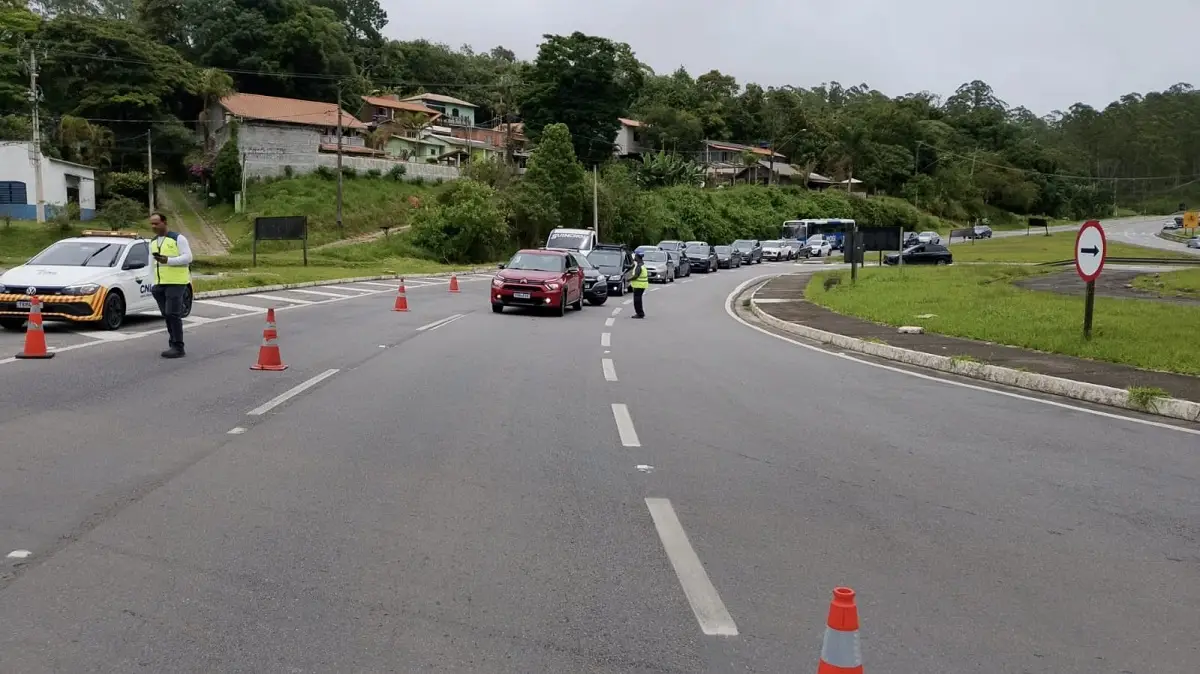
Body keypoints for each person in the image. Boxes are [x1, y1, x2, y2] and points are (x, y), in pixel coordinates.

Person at [149, 212, 193, 358]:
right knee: (167, 315)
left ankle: (178, 346)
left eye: (156, 223)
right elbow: (151, 264)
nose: (154, 226)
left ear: (165, 222)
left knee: (173, 314)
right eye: (152, 224)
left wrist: (168, 260)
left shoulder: (178, 238)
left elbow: (188, 257)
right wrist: (152, 283)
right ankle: (172, 343)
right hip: (159, 284)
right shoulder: (153, 241)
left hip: (176, 282)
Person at [630, 251, 649, 319]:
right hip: (641, 285)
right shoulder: (641, 264)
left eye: (635, 256)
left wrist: (629, 279)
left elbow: (636, 276)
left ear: (637, 257)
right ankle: (640, 313)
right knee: (638, 300)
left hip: (639, 285)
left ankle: (640, 313)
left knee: (637, 301)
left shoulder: (639, 266)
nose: (634, 257)